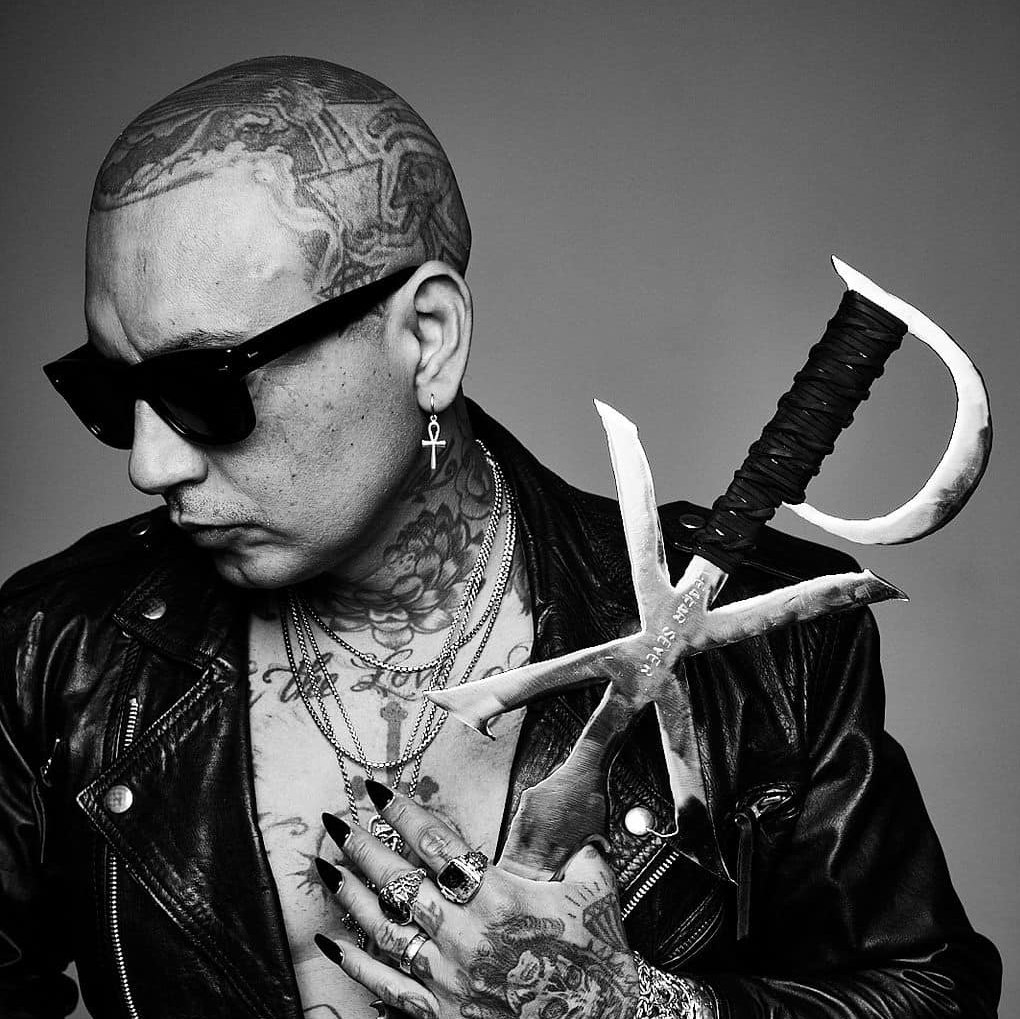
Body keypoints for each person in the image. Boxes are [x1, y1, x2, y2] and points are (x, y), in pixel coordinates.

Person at [0, 55, 1001, 1019]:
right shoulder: (56, 652)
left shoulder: (770, 648)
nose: (150, 463)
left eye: (203, 386)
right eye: (109, 392)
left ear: (428, 338)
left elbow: (930, 993)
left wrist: (639, 1010)